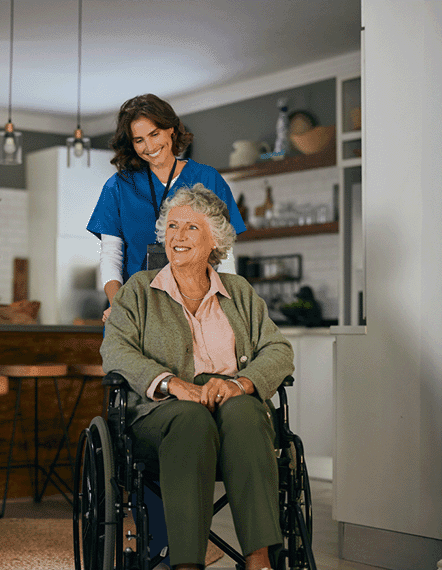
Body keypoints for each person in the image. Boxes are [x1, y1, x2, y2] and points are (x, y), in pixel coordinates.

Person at [101, 185, 294, 570]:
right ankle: (188, 563)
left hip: (230, 401)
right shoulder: (139, 290)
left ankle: (259, 560)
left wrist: (241, 383)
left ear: (215, 240)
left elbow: (279, 350)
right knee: (189, 419)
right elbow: (115, 351)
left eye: (191, 228)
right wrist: (172, 383)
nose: (178, 236)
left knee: (246, 414)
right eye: (172, 226)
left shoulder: (239, 291)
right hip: (163, 411)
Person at [87, 93, 246, 321]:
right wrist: (120, 306)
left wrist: (225, 305)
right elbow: (111, 254)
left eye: (155, 134)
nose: (149, 146)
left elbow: (224, 252)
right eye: (139, 140)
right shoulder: (117, 187)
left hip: (197, 309)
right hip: (139, 309)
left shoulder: (208, 179)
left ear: (171, 129)